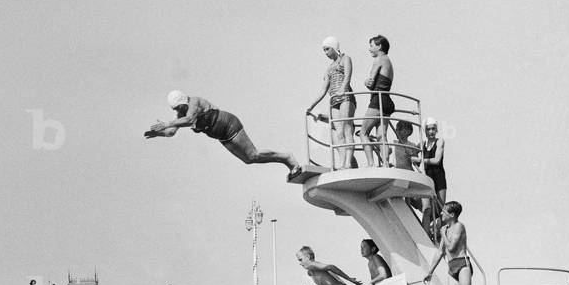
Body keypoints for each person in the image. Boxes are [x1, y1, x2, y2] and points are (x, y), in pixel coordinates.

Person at [146, 91, 301, 177]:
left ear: (184, 101)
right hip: (222, 135)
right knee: (250, 159)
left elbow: (189, 119)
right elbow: (172, 132)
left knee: (253, 153)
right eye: (175, 110)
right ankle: (284, 161)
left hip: (229, 124)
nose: (178, 111)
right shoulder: (180, 114)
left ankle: (287, 158)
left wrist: (167, 123)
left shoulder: (194, 102)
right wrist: (158, 133)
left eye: (179, 107)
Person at [307, 37, 356, 169]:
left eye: (327, 49)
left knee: (347, 129)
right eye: (324, 50)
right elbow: (323, 89)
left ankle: (348, 163)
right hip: (334, 100)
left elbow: (347, 76)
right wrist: (311, 105)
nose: (326, 53)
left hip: (345, 97)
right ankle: (342, 162)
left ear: (334, 48)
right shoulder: (329, 68)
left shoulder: (345, 59)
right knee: (338, 132)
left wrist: (343, 88)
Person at [360, 35, 395, 167]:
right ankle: (386, 163)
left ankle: (371, 164)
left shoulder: (379, 59)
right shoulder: (388, 61)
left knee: (363, 133)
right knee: (382, 137)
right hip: (387, 101)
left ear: (379, 46)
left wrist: (365, 81)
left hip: (378, 101)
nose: (370, 49)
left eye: (371, 45)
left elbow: (370, 82)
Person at [420, 119, 447, 240]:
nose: (431, 131)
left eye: (433, 129)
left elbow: (436, 160)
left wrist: (420, 160)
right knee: (426, 209)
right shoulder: (421, 144)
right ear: (424, 131)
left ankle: (442, 236)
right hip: (427, 178)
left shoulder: (440, 141)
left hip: (439, 177)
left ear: (436, 130)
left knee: (441, 209)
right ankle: (425, 236)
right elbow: (406, 146)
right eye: (428, 129)